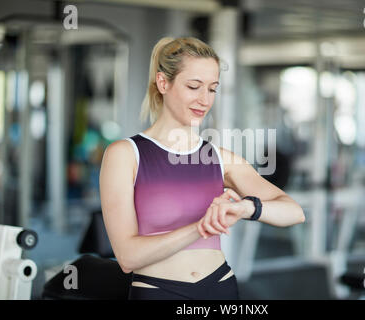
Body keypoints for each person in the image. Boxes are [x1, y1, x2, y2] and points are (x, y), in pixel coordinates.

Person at [99, 37, 305, 300]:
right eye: (194, 86)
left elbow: (294, 212)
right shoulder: (126, 155)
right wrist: (202, 227)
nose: (204, 100)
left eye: (212, 89)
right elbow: (128, 257)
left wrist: (245, 208)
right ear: (163, 83)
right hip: (158, 291)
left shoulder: (221, 159)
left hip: (219, 287)